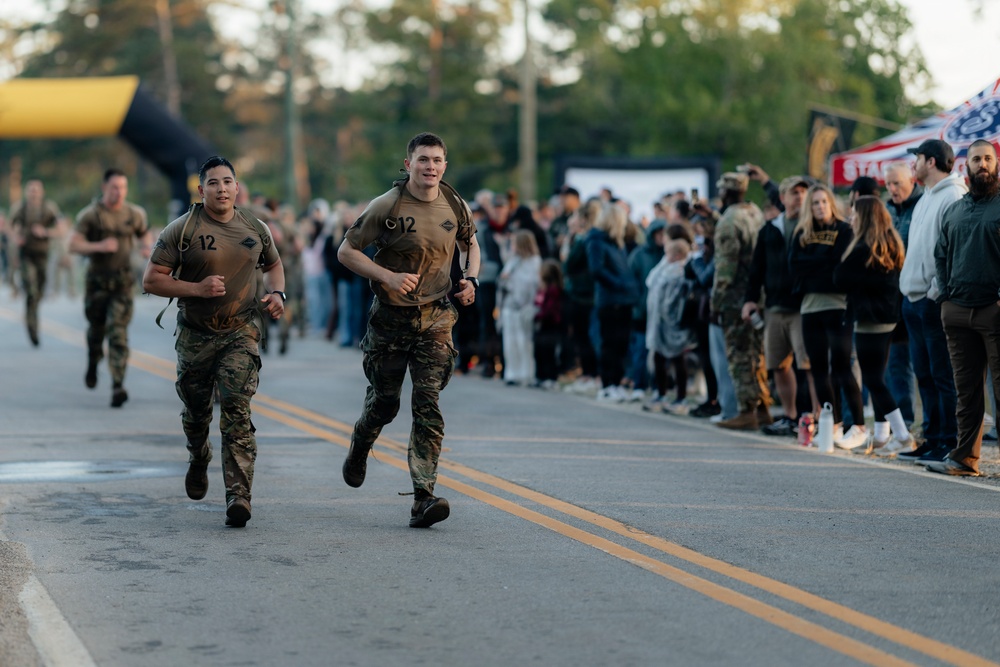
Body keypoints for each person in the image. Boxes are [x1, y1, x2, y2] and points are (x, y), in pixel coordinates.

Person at [337, 132, 479, 529]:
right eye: (422, 160)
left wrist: (471, 279)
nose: (430, 167)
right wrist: (387, 275)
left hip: (436, 316)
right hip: (391, 319)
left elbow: (471, 243)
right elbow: (346, 252)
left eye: (436, 160)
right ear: (408, 164)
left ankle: (423, 496)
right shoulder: (388, 205)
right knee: (385, 403)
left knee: (427, 401)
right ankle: (361, 443)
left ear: (444, 165)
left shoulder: (455, 203)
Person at [142, 156, 286, 528]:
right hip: (195, 335)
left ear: (237, 187)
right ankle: (197, 455)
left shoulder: (255, 226)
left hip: (240, 332)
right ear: (201, 189)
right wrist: (196, 288)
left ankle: (239, 495)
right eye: (213, 183)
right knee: (196, 414)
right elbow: (152, 280)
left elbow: (273, 264)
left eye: (228, 182)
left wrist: (278, 294)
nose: (222, 189)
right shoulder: (182, 230)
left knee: (237, 413)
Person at [926, 139, 1000, 477]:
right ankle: (964, 458)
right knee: (966, 391)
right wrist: (945, 295)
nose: (982, 164)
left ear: (996, 164)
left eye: (988, 158)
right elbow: (940, 254)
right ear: (965, 166)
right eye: (976, 159)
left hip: (993, 311)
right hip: (956, 311)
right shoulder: (955, 209)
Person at [895, 139, 966, 464]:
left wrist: (936, 291)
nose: (915, 164)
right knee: (924, 374)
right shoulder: (925, 196)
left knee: (942, 375)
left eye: (919, 158)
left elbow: (953, 250)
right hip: (913, 299)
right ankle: (932, 437)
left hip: (931, 300)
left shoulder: (953, 195)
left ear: (933, 161)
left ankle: (947, 441)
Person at [833, 196, 914, 455]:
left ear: (866, 217)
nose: (850, 219)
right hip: (887, 318)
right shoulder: (890, 243)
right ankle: (881, 434)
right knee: (878, 376)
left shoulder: (863, 247)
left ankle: (901, 434)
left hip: (870, 320)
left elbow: (840, 278)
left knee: (873, 379)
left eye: (855, 214)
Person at [788, 183, 867, 449]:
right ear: (808, 207)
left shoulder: (844, 230)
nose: (820, 206)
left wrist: (816, 267)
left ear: (831, 203)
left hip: (838, 306)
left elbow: (840, 265)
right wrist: (821, 266)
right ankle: (831, 424)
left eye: (823, 202)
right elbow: (795, 267)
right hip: (810, 307)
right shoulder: (801, 233)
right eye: (815, 203)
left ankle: (858, 425)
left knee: (842, 367)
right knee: (818, 370)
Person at [69, 168, 152, 407]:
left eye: (123, 187)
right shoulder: (91, 215)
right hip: (97, 283)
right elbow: (73, 244)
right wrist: (99, 246)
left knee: (118, 334)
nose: (119, 192)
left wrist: (146, 248)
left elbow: (144, 234)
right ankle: (93, 361)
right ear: (104, 188)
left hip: (122, 284)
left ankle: (118, 384)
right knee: (96, 332)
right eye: (115, 187)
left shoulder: (134, 214)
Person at [743, 174, 814, 436]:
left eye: (803, 192)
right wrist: (750, 299)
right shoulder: (769, 229)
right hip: (774, 306)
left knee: (807, 365)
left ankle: (812, 419)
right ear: (782, 198)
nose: (799, 197)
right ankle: (790, 415)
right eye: (794, 192)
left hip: (803, 305)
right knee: (779, 364)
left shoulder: (813, 226)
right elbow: (756, 269)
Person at [711, 172, 772, 430]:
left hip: (736, 298)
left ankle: (746, 410)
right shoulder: (755, 212)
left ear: (725, 193)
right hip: (759, 293)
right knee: (757, 353)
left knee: (738, 354)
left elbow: (726, 268)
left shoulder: (728, 221)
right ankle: (763, 408)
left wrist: (716, 301)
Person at [883, 161, 922, 429]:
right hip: (891, 297)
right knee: (895, 363)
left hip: (919, 294)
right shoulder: (886, 210)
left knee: (923, 364)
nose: (893, 189)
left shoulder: (923, 205)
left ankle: (933, 425)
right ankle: (904, 422)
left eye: (897, 183)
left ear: (912, 180)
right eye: (888, 184)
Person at [587, 202, 639, 402]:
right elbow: (597, 270)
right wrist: (620, 284)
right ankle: (608, 384)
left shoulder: (617, 242)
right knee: (610, 343)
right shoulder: (597, 240)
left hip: (624, 299)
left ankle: (616, 383)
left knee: (621, 344)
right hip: (610, 300)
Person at [645, 238, 696, 413]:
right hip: (658, 323)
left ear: (677, 255)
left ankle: (681, 398)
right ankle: (661, 394)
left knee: (677, 359)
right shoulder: (664, 270)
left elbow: (674, 300)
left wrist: (668, 316)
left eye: (668, 254)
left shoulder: (680, 272)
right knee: (658, 358)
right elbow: (650, 282)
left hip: (672, 325)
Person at [9, 179, 62, 346]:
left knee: (39, 292)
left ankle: (31, 312)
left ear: (42, 192)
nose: (34, 193)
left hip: (43, 256)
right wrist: (16, 237)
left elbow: (61, 229)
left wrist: (45, 232)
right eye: (31, 190)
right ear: (26, 192)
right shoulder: (20, 208)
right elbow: (8, 226)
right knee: (31, 291)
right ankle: (32, 327)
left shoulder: (49, 208)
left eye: (36, 190)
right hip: (26, 256)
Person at [498, 230, 542, 385]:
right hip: (509, 305)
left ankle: (526, 373)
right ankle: (512, 373)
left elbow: (532, 282)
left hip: (525, 306)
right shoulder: (513, 260)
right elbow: (504, 278)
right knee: (510, 341)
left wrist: (511, 279)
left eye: (515, 243)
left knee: (525, 341)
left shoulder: (535, 261)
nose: (513, 246)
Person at [533, 258, 565, 389]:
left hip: (550, 324)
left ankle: (550, 377)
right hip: (541, 324)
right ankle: (540, 376)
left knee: (548, 352)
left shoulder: (553, 290)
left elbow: (550, 309)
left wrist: (537, 315)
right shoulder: (542, 289)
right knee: (539, 351)